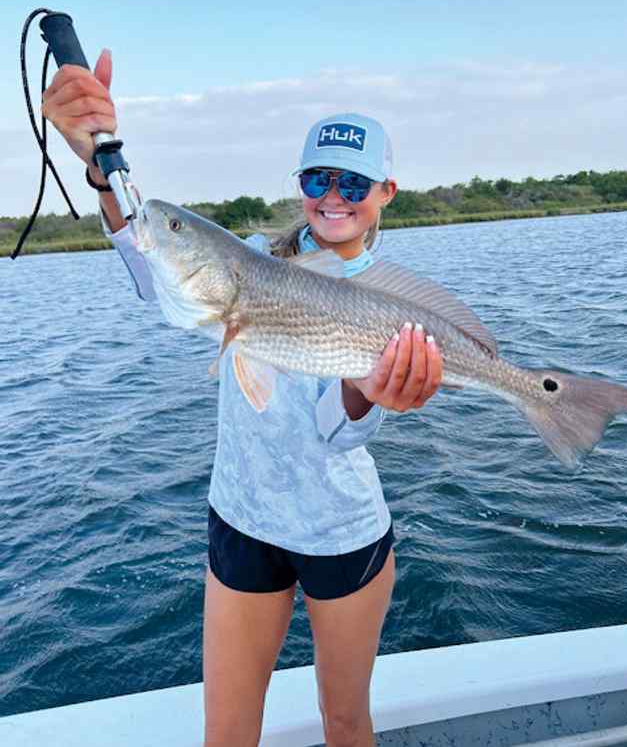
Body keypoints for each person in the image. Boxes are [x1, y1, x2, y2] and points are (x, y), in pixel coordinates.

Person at [42, 51, 443, 747]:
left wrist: (362, 393)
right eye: (319, 177)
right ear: (301, 184)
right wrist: (101, 168)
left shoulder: (389, 305)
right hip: (243, 521)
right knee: (225, 733)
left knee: (345, 722)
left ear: (385, 191)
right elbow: (153, 264)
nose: (334, 194)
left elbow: (337, 433)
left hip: (341, 534)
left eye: (353, 180)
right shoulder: (251, 258)